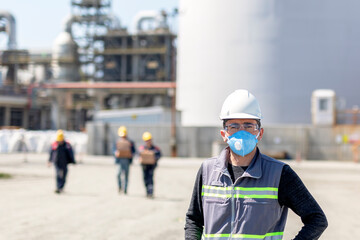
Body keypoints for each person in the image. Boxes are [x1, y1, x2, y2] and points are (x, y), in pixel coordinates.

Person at [184, 89, 328, 240]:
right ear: (224, 134)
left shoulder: (279, 174)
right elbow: (194, 220)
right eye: (234, 126)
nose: (241, 132)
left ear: (260, 133)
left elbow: (317, 219)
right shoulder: (207, 171)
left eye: (248, 126)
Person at [48, 130, 76, 194]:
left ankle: (61, 187)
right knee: (58, 174)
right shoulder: (55, 144)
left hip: (64, 162)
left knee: (64, 175)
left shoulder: (67, 145)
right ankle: (58, 187)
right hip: (57, 162)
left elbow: (71, 153)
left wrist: (73, 161)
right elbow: (51, 153)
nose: (60, 141)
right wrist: (49, 161)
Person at [138, 131, 161, 198]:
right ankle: (147, 191)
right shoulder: (142, 148)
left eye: (149, 140)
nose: (148, 141)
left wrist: (155, 159)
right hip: (144, 166)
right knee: (145, 179)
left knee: (150, 179)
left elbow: (159, 155)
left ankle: (150, 192)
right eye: (146, 140)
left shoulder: (155, 148)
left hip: (151, 166)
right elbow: (138, 154)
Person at [114, 126, 135, 194]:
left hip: (127, 161)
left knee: (126, 175)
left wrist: (131, 154)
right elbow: (113, 149)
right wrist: (115, 152)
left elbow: (134, 151)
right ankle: (120, 187)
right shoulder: (117, 141)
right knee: (118, 174)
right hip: (119, 161)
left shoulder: (130, 142)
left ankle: (125, 189)